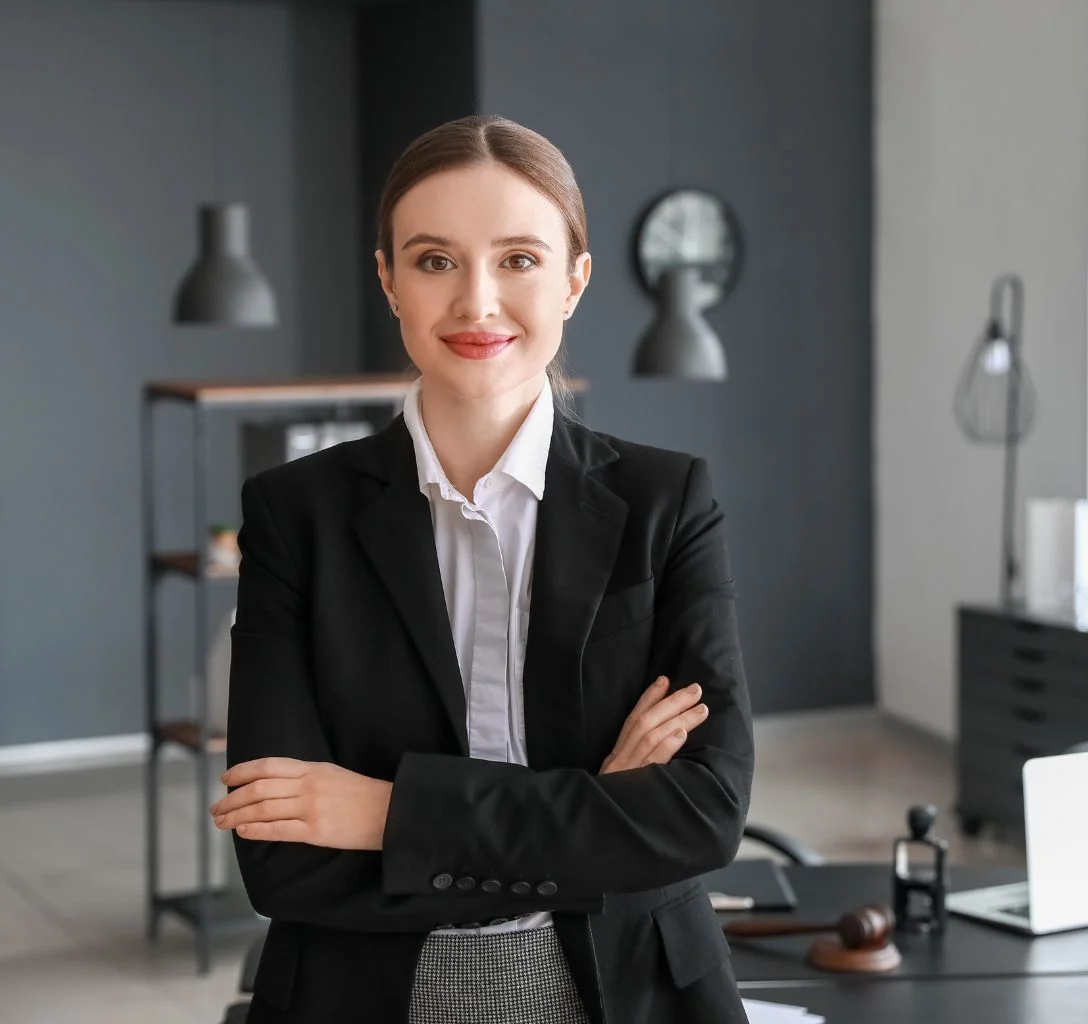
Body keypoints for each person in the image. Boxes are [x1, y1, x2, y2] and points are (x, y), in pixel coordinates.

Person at [209, 114, 754, 1024]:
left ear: (575, 280)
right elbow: (285, 859)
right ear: (388, 280)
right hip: (367, 996)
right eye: (434, 261)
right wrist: (594, 814)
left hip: (634, 990)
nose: (476, 303)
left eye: (519, 259)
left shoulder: (669, 503)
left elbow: (701, 814)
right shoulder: (292, 516)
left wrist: (388, 817)